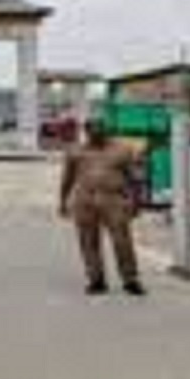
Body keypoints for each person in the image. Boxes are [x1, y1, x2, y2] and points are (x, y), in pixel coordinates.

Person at [59, 118, 146, 296]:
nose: (98, 133)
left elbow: (135, 178)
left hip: (114, 200)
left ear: (106, 130)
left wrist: (136, 202)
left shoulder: (122, 150)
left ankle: (130, 279)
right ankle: (96, 279)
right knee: (88, 241)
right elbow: (67, 178)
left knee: (122, 241)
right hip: (85, 200)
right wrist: (63, 201)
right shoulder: (75, 152)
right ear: (87, 132)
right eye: (93, 130)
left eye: (101, 129)